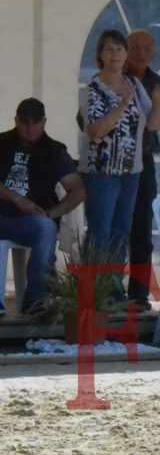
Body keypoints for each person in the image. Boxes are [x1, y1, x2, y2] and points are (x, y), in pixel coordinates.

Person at [82, 29, 158, 283]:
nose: (115, 54)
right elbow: (95, 131)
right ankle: (93, 289)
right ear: (100, 55)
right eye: (109, 49)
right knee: (100, 231)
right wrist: (122, 105)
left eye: (119, 49)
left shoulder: (134, 85)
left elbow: (152, 124)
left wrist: (158, 101)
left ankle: (112, 288)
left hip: (131, 171)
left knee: (121, 232)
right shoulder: (92, 89)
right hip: (102, 172)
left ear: (126, 54)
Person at [0, 98, 84, 318]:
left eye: (35, 122)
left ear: (44, 122)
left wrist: (51, 213)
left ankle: (35, 300)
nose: (29, 128)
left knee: (46, 228)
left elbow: (78, 190)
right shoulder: (2, 143)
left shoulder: (54, 151)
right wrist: (17, 199)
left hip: (28, 223)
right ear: (16, 120)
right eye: (24, 122)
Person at [122, 29, 160, 310]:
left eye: (146, 48)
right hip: (113, 162)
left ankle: (138, 292)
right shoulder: (112, 77)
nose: (140, 53)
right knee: (113, 229)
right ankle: (107, 289)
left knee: (141, 227)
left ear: (153, 52)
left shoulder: (157, 82)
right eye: (135, 47)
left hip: (144, 160)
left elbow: (155, 125)